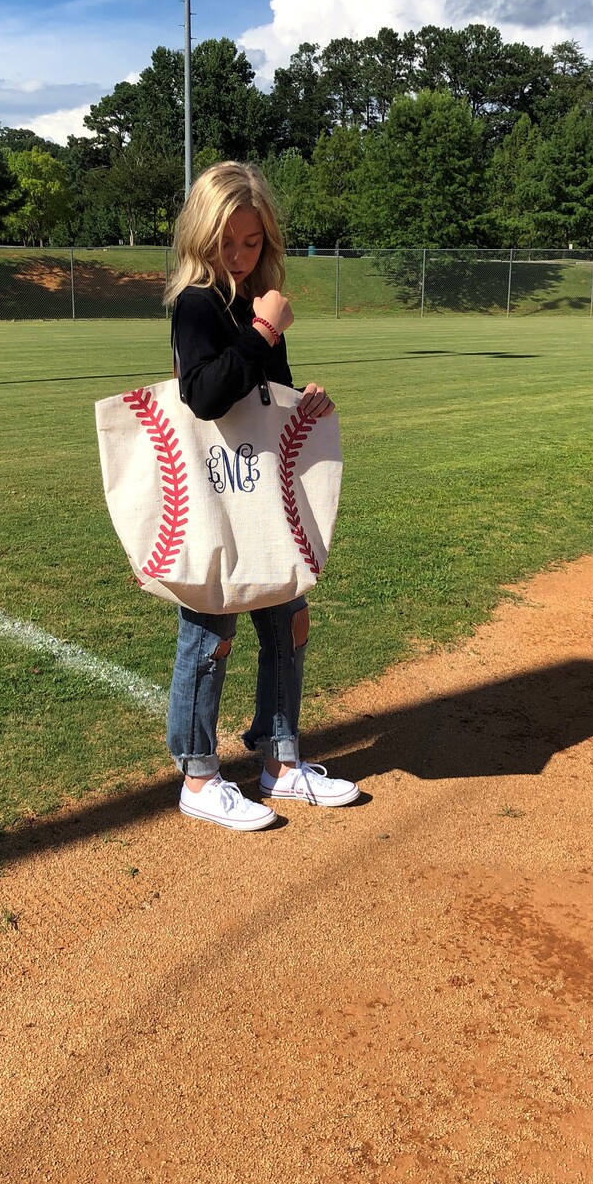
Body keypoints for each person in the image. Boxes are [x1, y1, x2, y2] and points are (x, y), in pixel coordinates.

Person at [164, 161, 360, 831]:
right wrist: (263, 330)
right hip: (216, 499)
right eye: (229, 242)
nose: (242, 256)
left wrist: (307, 401)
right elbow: (206, 394)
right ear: (202, 235)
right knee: (211, 634)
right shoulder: (195, 303)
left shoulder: (258, 301)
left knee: (288, 622)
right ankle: (198, 775)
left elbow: (267, 398)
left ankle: (279, 763)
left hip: (262, 493)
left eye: (253, 242)